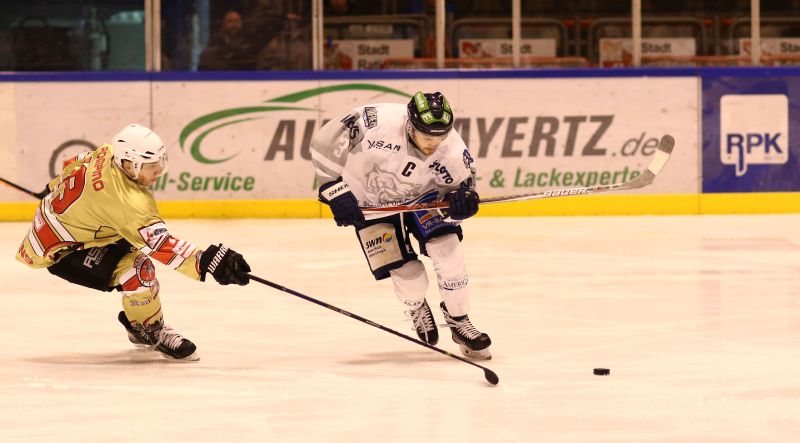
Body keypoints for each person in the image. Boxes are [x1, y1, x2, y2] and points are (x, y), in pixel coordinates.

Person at [15, 124, 252, 361]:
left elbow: (73, 165)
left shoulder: (107, 152)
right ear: (128, 164)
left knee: (131, 247)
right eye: (151, 166)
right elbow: (161, 245)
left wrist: (52, 187)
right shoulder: (128, 202)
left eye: (161, 162)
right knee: (139, 270)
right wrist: (210, 261)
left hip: (75, 227)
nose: (159, 171)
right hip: (62, 251)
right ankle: (149, 330)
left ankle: (137, 318)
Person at [310, 92, 492, 359]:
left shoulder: (452, 148)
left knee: (447, 250)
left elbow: (460, 194)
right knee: (410, 277)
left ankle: (459, 320)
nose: (433, 143)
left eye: (439, 136)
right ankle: (416, 305)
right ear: (409, 125)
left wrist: (461, 205)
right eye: (426, 136)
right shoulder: (376, 121)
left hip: (423, 197)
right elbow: (324, 141)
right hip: (370, 201)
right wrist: (334, 189)